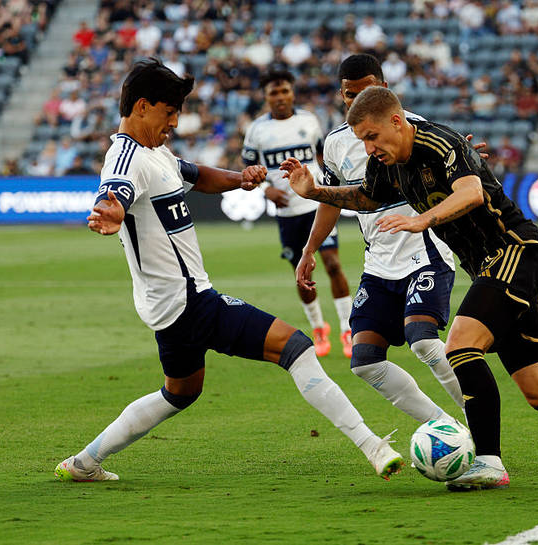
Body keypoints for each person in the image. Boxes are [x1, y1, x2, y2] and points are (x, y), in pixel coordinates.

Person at [282, 86, 538, 491]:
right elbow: (367, 198)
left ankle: (489, 461)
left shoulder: (438, 141)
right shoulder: (388, 164)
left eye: (372, 137)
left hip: (514, 250)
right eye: (361, 141)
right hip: (488, 268)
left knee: (459, 345)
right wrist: (315, 191)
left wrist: (422, 221)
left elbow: (472, 192)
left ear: (396, 121)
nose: (369, 148)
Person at [54, 58, 403, 483]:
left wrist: (240, 179)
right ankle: (373, 446)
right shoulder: (126, 158)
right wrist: (108, 212)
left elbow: (197, 175)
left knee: (180, 391)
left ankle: (85, 462)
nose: (175, 122)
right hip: (189, 302)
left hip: (170, 306)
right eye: (169, 112)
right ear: (142, 106)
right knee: (296, 348)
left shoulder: (154, 153)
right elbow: (114, 193)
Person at [296, 54, 464, 430]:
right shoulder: (338, 143)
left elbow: (458, 174)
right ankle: (446, 429)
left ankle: (479, 424)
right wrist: (309, 250)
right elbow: (333, 199)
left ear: (383, 90)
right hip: (379, 261)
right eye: (348, 95)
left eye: (363, 93)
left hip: (425, 249)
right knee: (366, 360)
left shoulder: (417, 128)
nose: (355, 102)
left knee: (423, 341)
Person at [242, 70, 353, 358]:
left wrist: (327, 187)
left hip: (316, 205)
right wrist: (265, 189)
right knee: (302, 272)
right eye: (273, 93)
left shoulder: (309, 120)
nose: (280, 98)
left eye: (284, 92)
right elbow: (249, 170)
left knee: (331, 264)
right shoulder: (256, 131)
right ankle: (318, 327)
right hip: (288, 212)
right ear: (265, 97)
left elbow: (322, 158)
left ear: (292, 93)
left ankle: (347, 327)